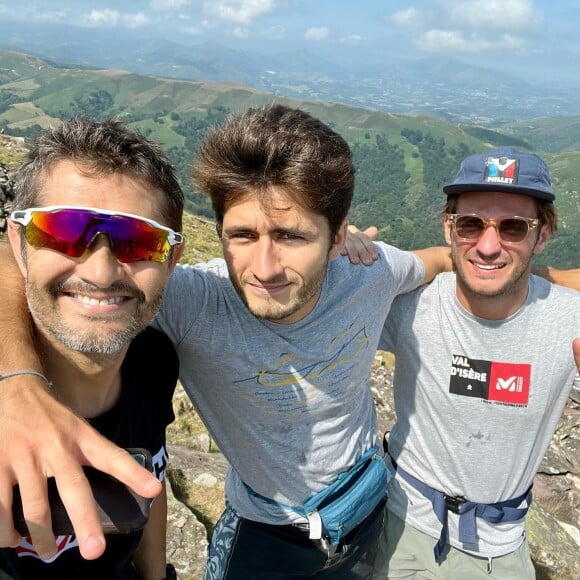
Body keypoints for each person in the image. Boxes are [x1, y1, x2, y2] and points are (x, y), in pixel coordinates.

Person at [0, 105, 454, 579]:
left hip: (367, 500)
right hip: (268, 532)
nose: (265, 267)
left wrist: (538, 279)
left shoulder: (372, 271)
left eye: (292, 236)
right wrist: (19, 385)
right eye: (241, 235)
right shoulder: (185, 299)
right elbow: (18, 263)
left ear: (338, 238)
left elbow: (441, 259)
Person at [364, 147, 579, 578]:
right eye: (470, 224)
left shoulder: (568, 321)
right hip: (399, 523)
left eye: (514, 227)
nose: (487, 245)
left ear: (542, 235)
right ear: (449, 229)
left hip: (500, 547)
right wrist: (339, 254)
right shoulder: (410, 305)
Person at [0, 117, 184, 578]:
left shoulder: (154, 360)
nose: (101, 272)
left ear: (173, 259)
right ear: (19, 244)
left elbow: (150, 480)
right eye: (63, 231)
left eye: (139, 241)